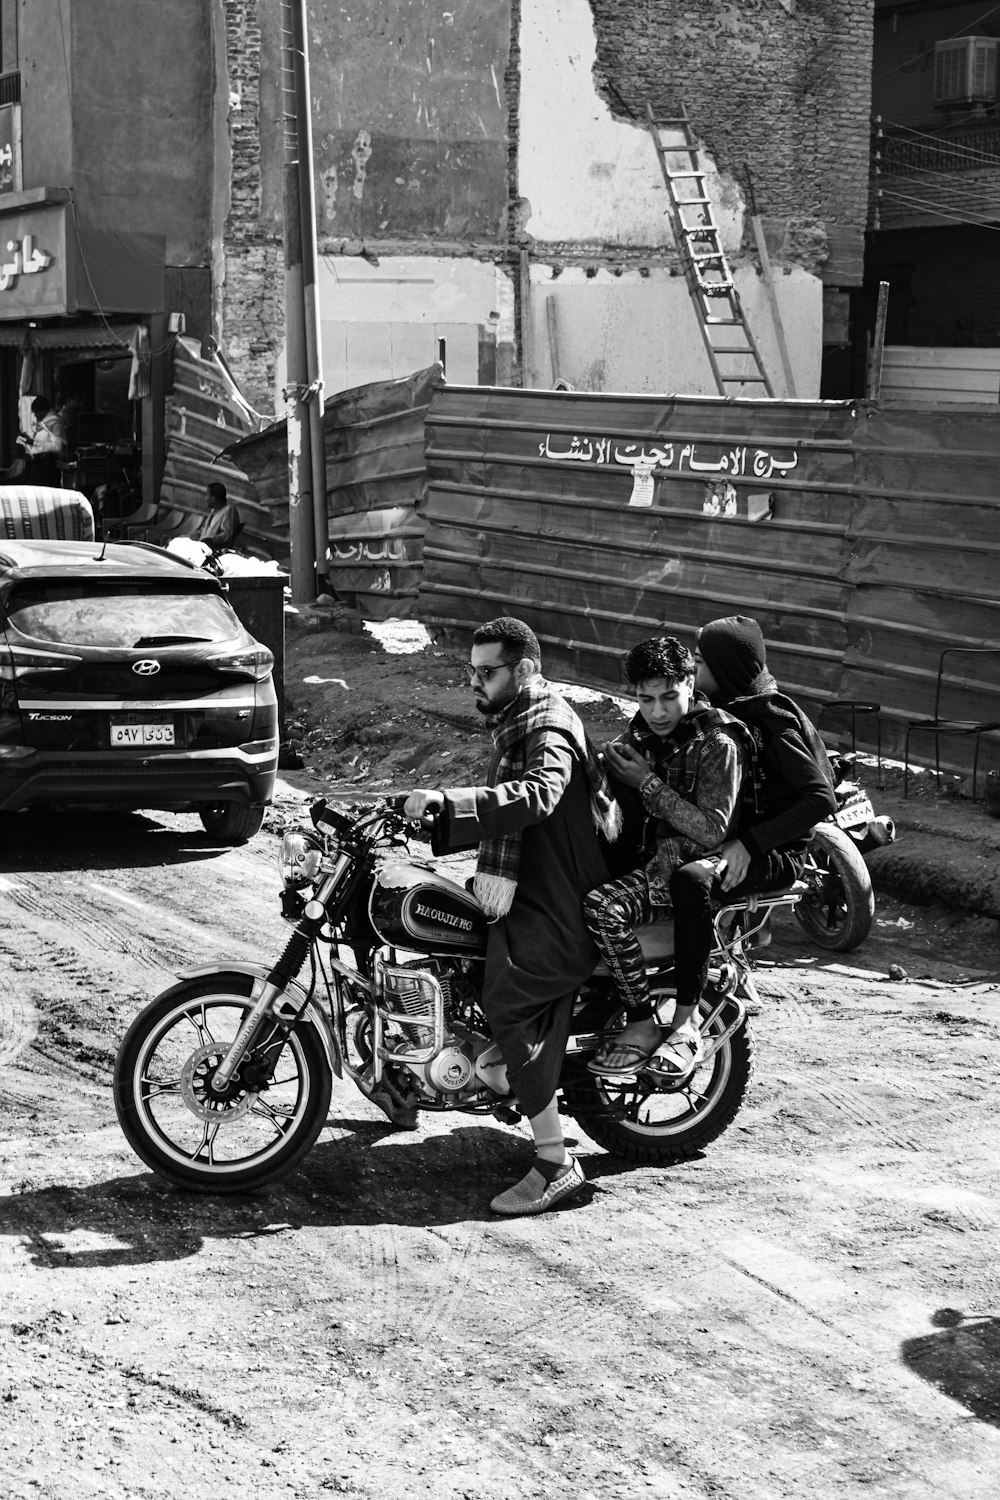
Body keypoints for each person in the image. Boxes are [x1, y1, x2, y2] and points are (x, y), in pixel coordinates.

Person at [403, 616, 620, 1218]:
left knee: (509, 996)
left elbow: (537, 794)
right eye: (471, 670)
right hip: (530, 887)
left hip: (561, 902)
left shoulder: (548, 725)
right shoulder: (515, 720)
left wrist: (451, 805)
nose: (476, 681)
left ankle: (554, 1161)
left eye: (487, 671)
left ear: (524, 670)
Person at [658, 615, 838, 1072]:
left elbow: (820, 797)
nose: (693, 674)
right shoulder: (723, 710)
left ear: (728, 667)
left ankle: (684, 1022)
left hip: (776, 853)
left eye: (700, 663)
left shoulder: (771, 721)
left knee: (691, 882)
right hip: (736, 839)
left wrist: (751, 844)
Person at [583, 636, 748, 1082]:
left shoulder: (718, 741)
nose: (657, 712)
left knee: (602, 907)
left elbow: (712, 829)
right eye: (645, 698)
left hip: (687, 872)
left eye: (669, 697)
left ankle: (640, 1020)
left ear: (690, 685)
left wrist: (647, 784)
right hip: (642, 865)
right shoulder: (632, 738)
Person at [16, 397, 67, 487]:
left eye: (36, 413)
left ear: (43, 411)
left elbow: (58, 447)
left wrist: (36, 443)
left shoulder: (55, 423)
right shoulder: (43, 424)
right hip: (39, 464)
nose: (35, 416)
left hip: (48, 465)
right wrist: (31, 442)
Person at [195, 481, 242, 551]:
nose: (205, 498)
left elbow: (227, 535)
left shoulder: (229, 510)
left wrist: (211, 540)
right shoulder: (214, 511)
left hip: (213, 551)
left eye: (207, 495)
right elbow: (203, 532)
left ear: (213, 499)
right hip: (202, 547)